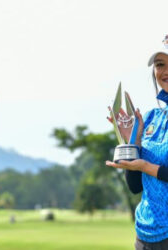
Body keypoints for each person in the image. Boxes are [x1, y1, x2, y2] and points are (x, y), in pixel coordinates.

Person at [106, 35, 168, 249]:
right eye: (160, 65)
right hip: (146, 235)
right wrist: (131, 141)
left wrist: (145, 166)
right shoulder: (151, 118)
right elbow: (135, 186)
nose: (165, 71)